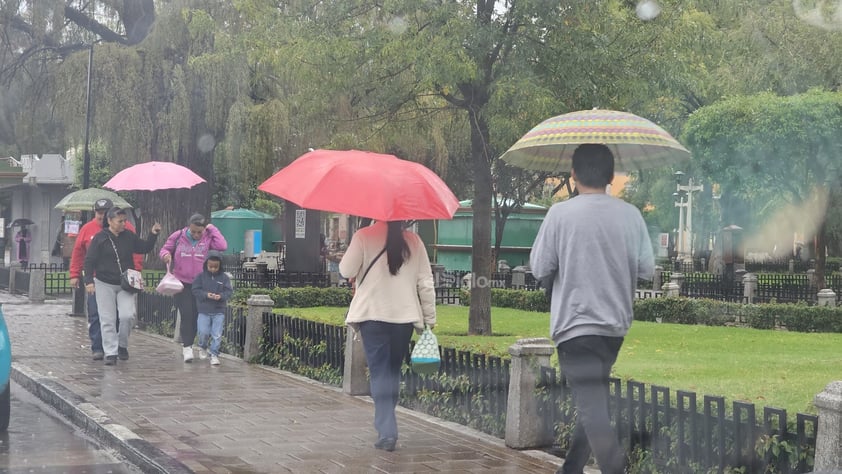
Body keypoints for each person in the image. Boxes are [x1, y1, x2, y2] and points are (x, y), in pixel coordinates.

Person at [530, 144, 655, 474]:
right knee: (593, 404)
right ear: (611, 176)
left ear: (573, 174)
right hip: (613, 327)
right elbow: (646, 270)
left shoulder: (560, 214)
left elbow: (540, 267)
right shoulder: (631, 216)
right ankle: (569, 469)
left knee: (593, 410)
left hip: (575, 325)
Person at [339, 220, 436, 452]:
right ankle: (387, 423)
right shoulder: (414, 241)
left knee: (380, 373)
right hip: (404, 319)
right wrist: (429, 319)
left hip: (373, 316)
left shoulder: (363, 236)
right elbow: (426, 282)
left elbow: (345, 270)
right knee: (391, 372)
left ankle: (387, 430)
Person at [83, 207, 161, 365]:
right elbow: (89, 261)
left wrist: (153, 234)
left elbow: (144, 247)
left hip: (125, 283)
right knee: (107, 319)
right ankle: (110, 352)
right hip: (104, 282)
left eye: (125, 220)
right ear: (110, 221)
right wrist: (89, 281)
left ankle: (122, 345)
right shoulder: (100, 238)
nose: (124, 223)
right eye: (120, 221)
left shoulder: (128, 236)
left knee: (127, 315)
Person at [70, 198, 143, 360]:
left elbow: (136, 252)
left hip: (123, 279)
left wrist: (136, 272)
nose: (102, 216)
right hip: (98, 279)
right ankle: (99, 348)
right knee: (99, 315)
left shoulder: (126, 228)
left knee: (124, 315)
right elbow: (80, 253)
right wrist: (75, 275)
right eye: (99, 213)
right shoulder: (88, 229)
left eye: (105, 212)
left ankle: (118, 345)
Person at [160, 213, 228, 363]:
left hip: (201, 283)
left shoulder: (208, 237)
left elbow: (223, 246)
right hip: (181, 283)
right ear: (188, 227)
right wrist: (165, 255)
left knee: (200, 315)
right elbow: (165, 249)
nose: (196, 234)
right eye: (193, 231)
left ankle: (201, 345)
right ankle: (187, 347)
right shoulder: (178, 236)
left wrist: (212, 228)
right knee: (187, 314)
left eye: (200, 232)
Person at [191, 252, 233, 366]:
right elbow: (195, 290)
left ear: (220, 266)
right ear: (206, 265)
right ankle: (203, 347)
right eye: (211, 267)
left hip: (219, 310)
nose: (213, 269)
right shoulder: (200, 277)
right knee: (203, 332)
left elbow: (228, 291)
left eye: (216, 267)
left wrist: (221, 296)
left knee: (217, 334)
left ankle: (214, 354)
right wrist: (206, 295)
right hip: (204, 310)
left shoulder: (224, 278)